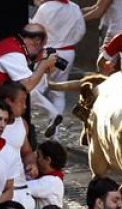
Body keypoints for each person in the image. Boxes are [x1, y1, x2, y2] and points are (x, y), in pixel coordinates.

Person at [31, 0, 86, 138]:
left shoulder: (45, 8)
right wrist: (67, 40)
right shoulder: (74, 7)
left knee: (33, 90)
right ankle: (55, 136)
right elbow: (81, 31)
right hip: (67, 53)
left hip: (49, 52)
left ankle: (52, 113)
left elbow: (34, 30)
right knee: (58, 93)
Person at [0, 82, 37, 209]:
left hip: (21, 191)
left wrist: (31, 164)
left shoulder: (22, 124)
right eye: (22, 101)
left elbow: (26, 152)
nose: (25, 106)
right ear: (8, 101)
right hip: (1, 194)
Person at [0, 23, 60, 103]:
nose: (41, 49)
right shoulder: (14, 54)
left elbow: (30, 59)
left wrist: (45, 63)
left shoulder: (13, 43)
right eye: (42, 46)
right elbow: (27, 86)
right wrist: (44, 64)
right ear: (37, 41)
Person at [28, 141, 67, 209]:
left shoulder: (51, 181)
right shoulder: (51, 178)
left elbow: (22, 186)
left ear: (48, 160)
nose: (35, 159)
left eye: (38, 156)